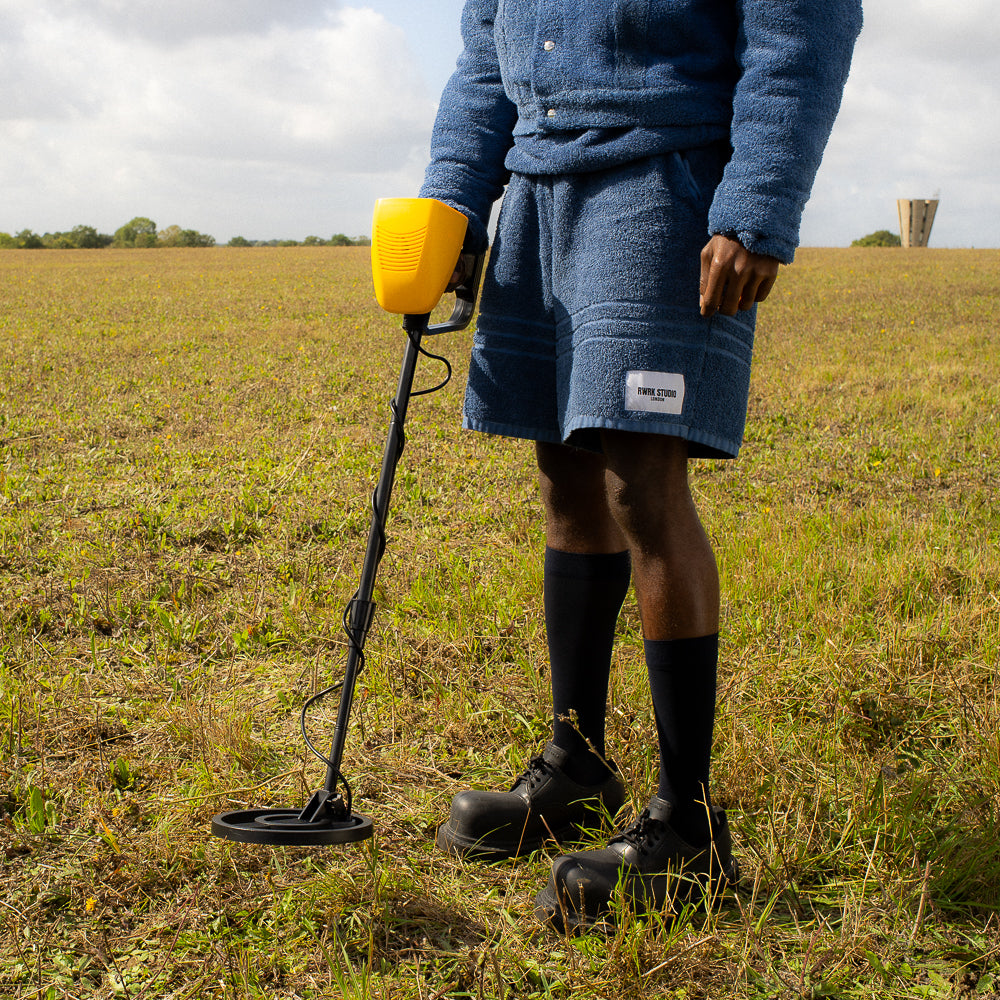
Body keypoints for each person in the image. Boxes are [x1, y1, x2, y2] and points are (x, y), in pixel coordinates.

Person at [419, 0, 862, 933]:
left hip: (662, 187)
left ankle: (687, 828)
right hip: (536, 193)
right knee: (564, 478)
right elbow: (480, 61)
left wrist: (759, 206)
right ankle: (576, 768)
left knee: (639, 485)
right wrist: (452, 201)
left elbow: (801, 34)